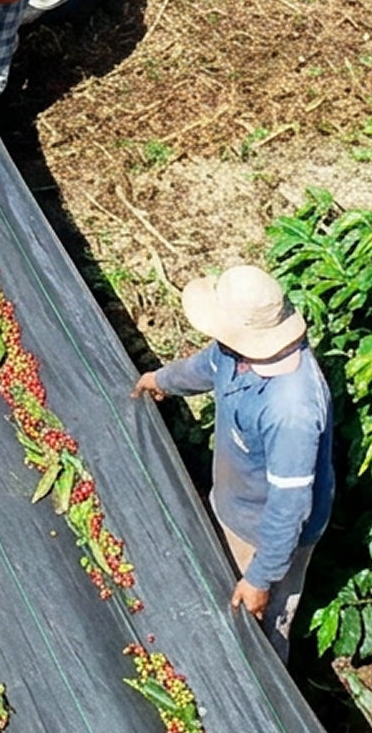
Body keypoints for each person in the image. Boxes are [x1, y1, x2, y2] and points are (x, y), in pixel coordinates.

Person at [131, 265, 334, 660]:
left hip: (265, 533)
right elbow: (207, 367)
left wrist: (261, 576)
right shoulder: (235, 353)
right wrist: (162, 380)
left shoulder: (291, 411)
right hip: (232, 503)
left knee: (260, 622)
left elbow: (289, 507)